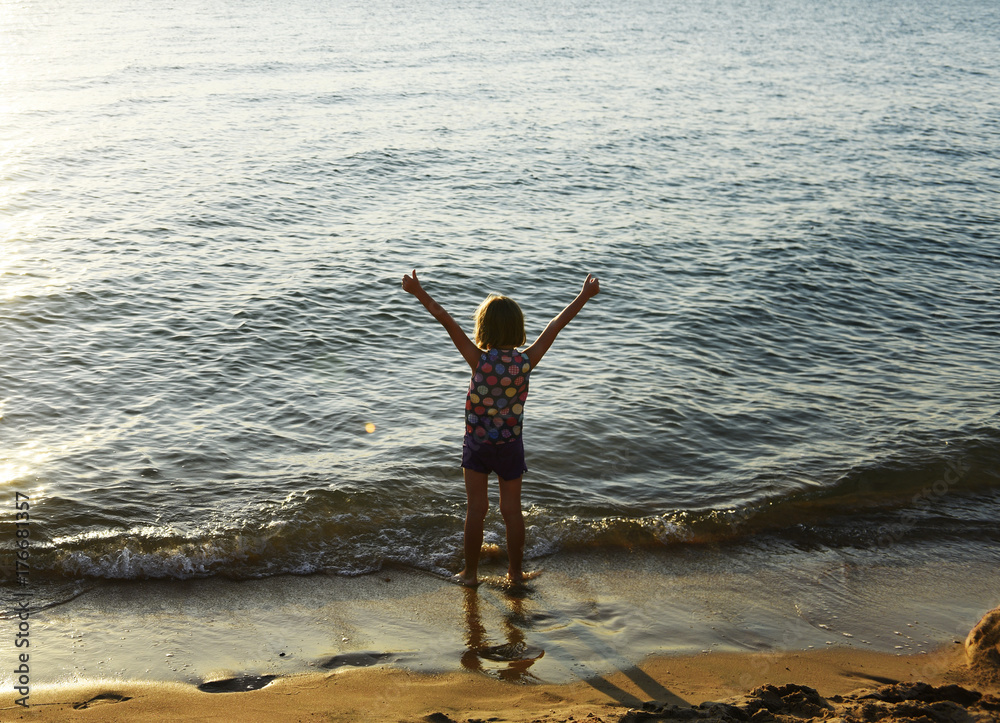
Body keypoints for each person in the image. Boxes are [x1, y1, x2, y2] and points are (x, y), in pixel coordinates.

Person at [401, 269, 600, 586]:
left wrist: (418, 291)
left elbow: (445, 319)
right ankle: (515, 575)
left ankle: (470, 574)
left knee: (476, 511)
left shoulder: (478, 359)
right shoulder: (526, 361)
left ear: (483, 328)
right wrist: (584, 296)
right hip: (509, 446)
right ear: (518, 328)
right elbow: (555, 326)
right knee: (512, 512)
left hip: (478, 445)